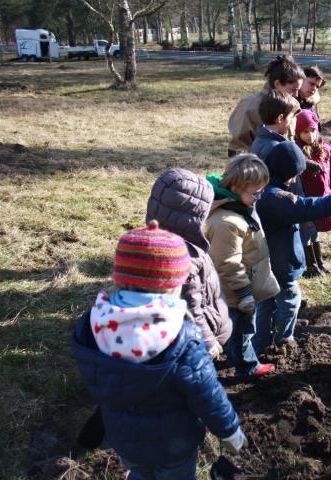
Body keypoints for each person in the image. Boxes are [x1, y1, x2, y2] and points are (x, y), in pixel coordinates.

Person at [72, 221, 246, 479]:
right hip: (173, 446)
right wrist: (230, 430)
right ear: (173, 284)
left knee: (138, 471)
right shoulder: (181, 336)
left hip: (123, 439)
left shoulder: (94, 323)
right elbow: (207, 394)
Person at [255, 142, 331, 349]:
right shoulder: (275, 197)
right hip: (280, 265)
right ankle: (282, 338)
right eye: (293, 175)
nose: (294, 179)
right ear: (283, 171)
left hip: (266, 263)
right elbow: (303, 207)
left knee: (266, 301)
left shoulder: (264, 188)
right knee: (290, 298)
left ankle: (261, 340)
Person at [205, 154, 280, 379]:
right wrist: (244, 293)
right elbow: (228, 263)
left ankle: (236, 357)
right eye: (255, 192)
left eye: (262, 191)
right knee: (241, 331)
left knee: (241, 329)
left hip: (243, 285)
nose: (259, 197)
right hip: (235, 291)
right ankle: (247, 367)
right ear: (236, 187)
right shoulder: (226, 223)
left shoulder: (239, 207)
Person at [146, 168, 232, 360]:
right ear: (192, 214)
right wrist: (208, 343)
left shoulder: (157, 242)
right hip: (194, 346)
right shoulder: (184, 258)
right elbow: (189, 309)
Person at [295, 109, 331, 276]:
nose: (310, 135)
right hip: (305, 200)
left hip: (323, 198)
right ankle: (310, 264)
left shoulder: (327, 150)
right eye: (305, 131)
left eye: (313, 130)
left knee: (315, 232)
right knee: (307, 231)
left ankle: (319, 261)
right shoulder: (296, 151)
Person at [228, 54, 305, 154]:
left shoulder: (291, 106)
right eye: (293, 90)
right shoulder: (250, 106)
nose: (296, 95)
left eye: (298, 90)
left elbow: (289, 139)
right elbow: (238, 147)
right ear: (277, 84)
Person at [251, 89, 301, 160]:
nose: (291, 122)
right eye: (291, 117)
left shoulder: (259, 139)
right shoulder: (277, 149)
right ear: (280, 118)